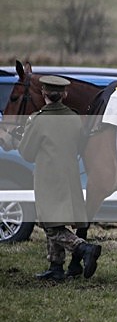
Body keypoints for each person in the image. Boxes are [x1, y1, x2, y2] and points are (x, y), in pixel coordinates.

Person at [15, 76, 101, 281]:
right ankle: (56, 267)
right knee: (57, 221)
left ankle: (84, 248)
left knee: (51, 225)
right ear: (65, 94)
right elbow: (80, 145)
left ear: (43, 93)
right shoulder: (74, 118)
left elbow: (27, 153)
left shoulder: (38, 120)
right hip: (70, 177)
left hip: (48, 179)